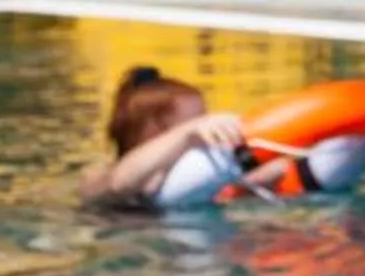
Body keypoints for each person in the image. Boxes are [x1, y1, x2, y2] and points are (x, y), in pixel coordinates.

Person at [79, 64, 250, 210]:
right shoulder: (99, 177)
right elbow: (119, 184)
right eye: (196, 121)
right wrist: (189, 132)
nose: (207, 132)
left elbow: (248, 182)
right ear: (152, 134)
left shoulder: (199, 174)